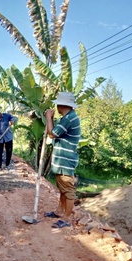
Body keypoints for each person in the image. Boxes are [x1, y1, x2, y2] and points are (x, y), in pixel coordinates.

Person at [43, 92, 81, 229]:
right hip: (61, 161)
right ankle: (60, 211)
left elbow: (52, 134)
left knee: (68, 190)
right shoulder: (67, 117)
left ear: (62, 105)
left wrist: (48, 118)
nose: (56, 106)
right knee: (63, 189)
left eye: (57, 103)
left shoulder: (69, 119)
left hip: (65, 162)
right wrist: (51, 119)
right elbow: (55, 131)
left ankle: (66, 218)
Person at [0, 105, 18, 171]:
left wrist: (12, 120)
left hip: (8, 137)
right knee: (0, 152)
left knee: (9, 151)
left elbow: (15, 118)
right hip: (0, 138)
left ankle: (7, 164)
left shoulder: (7, 115)